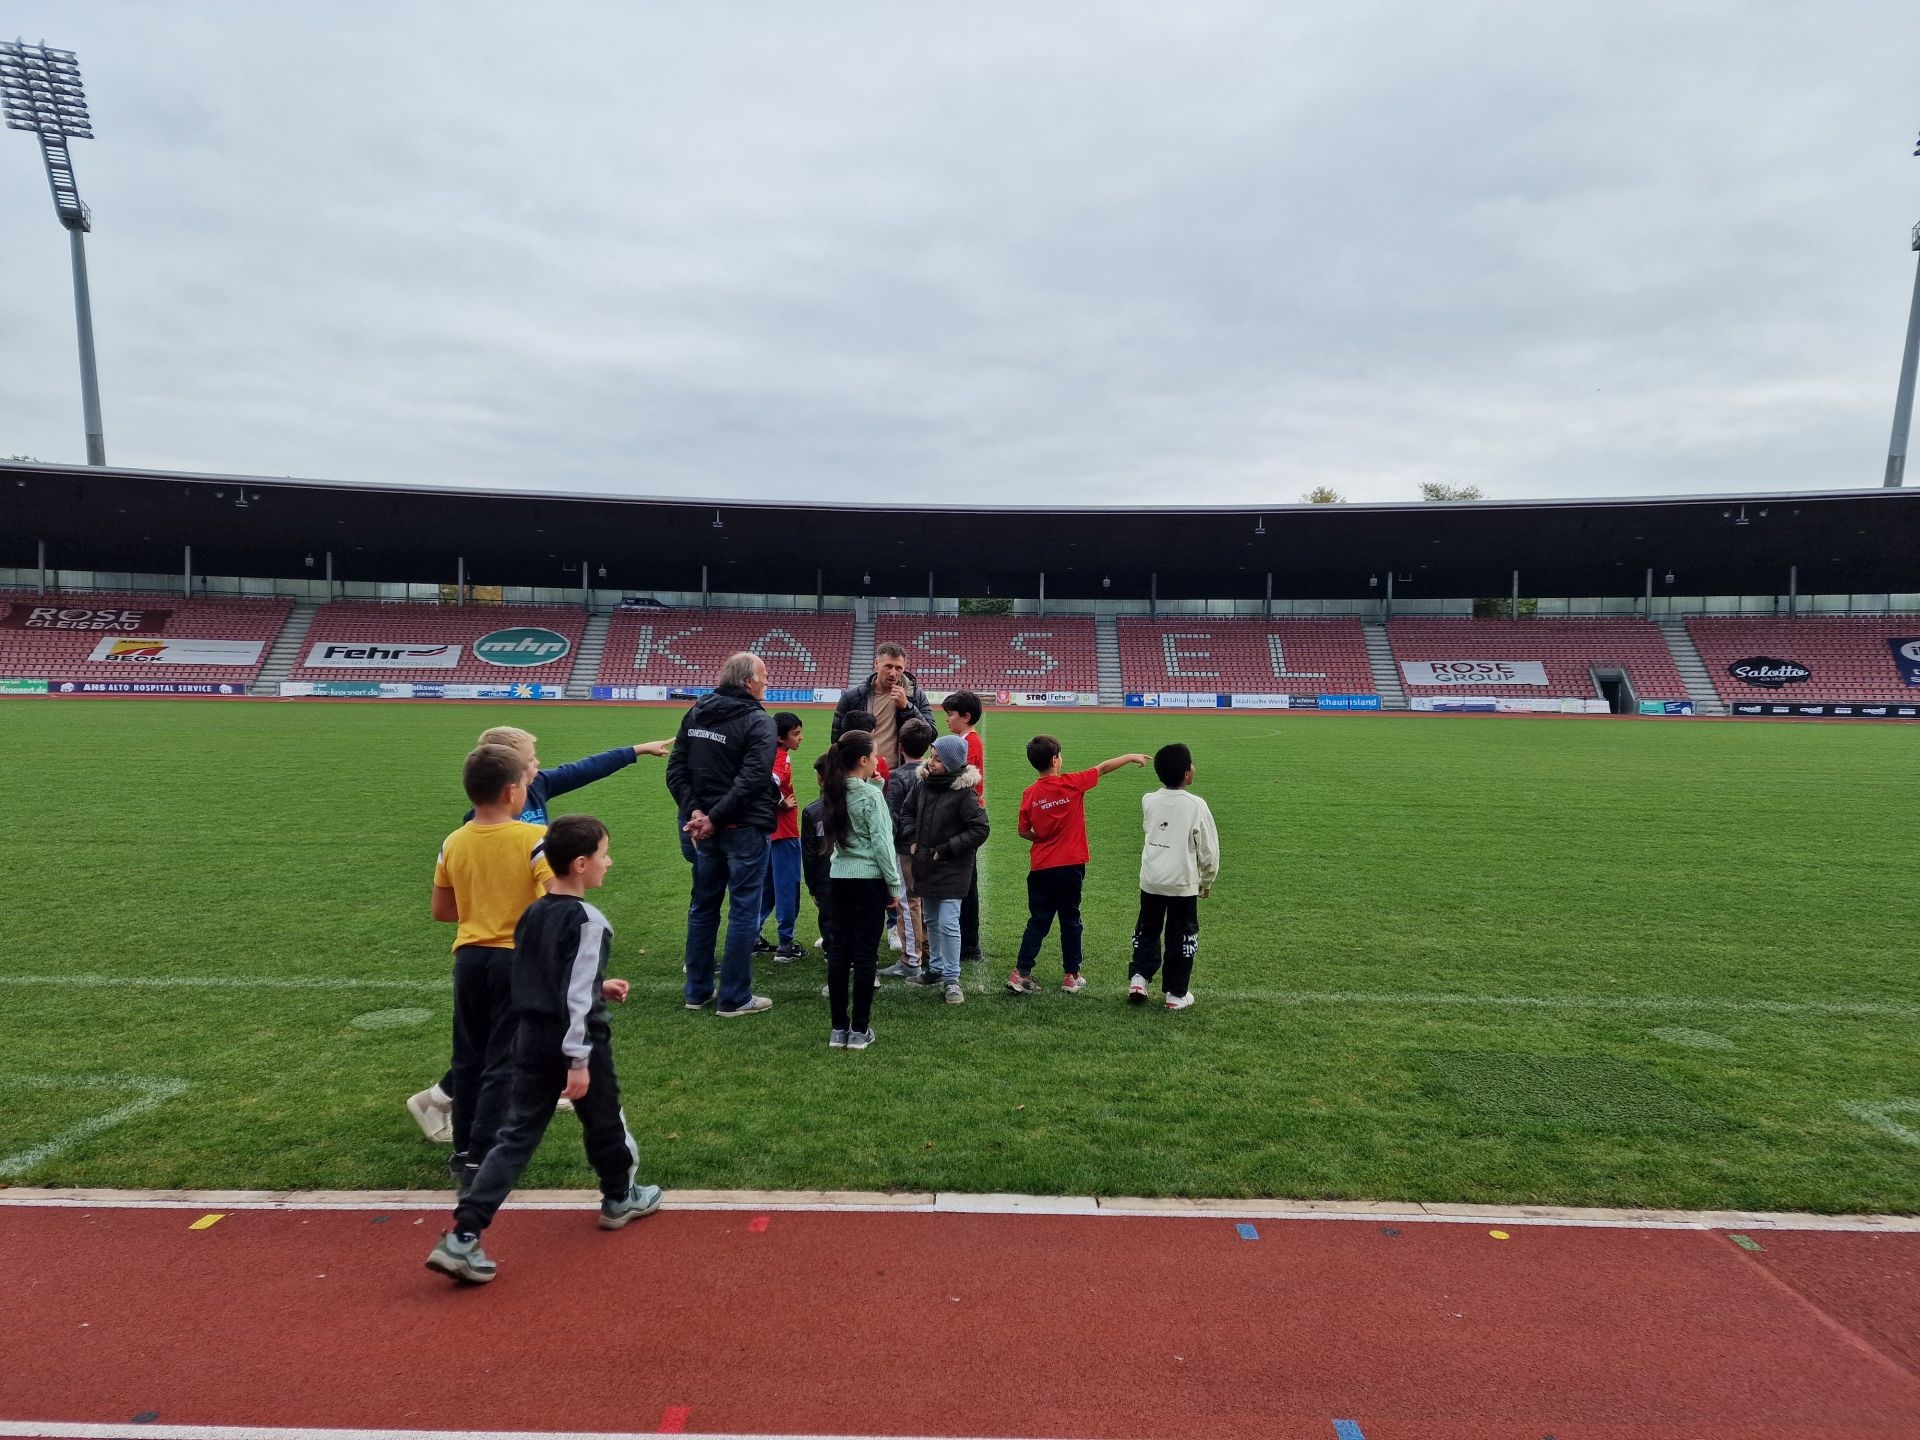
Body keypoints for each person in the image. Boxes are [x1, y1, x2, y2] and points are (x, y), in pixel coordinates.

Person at [407, 726, 672, 1143]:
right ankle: (461, 1123)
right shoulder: (489, 829)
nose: (539, 764)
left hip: (508, 944)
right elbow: (477, 893)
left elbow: (585, 769)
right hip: (514, 945)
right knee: (507, 1039)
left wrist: (635, 750)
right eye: (532, 759)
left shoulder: (536, 790)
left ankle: (492, 1118)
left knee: (516, 1030)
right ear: (511, 778)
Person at [426, 814, 661, 1285]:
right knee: (605, 1119)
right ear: (580, 864)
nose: (609, 863)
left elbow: (543, 976)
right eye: (603, 855)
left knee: (516, 1135)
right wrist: (579, 1060)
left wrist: (597, 984)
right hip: (577, 1044)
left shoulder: (532, 913)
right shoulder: (590, 922)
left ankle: (464, 1234)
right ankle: (620, 1196)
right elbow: (575, 999)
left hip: (529, 1038)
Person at [432, 744, 555, 1189]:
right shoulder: (533, 838)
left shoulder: (453, 841)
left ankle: (463, 1148)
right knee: (505, 1059)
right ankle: (483, 1158)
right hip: (514, 959)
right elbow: (556, 902)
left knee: (468, 1055)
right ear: (510, 791)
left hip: (469, 958)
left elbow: (443, 910)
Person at [666, 652, 779, 1017]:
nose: (767, 681)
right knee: (743, 911)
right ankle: (734, 997)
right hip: (742, 828)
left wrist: (697, 812)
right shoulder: (758, 721)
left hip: (704, 829)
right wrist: (711, 817)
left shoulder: (696, 712)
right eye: (763, 676)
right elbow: (754, 779)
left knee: (703, 906)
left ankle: (697, 991)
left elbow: (676, 770)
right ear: (747, 681)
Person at [1006, 737, 1150, 995]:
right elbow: (1102, 768)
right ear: (1055, 760)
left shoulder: (1030, 794)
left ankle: (1021, 973)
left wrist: (1043, 838)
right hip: (1069, 865)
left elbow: (1023, 831)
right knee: (1071, 920)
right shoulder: (1071, 783)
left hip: (1041, 867)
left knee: (1038, 921)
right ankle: (1071, 975)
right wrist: (1130, 756)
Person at [820, 730, 903, 1051]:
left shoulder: (834, 791)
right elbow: (881, 844)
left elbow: (852, 822)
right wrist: (894, 885)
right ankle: (859, 1029)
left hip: (840, 879)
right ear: (864, 759)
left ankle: (838, 1029)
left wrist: (875, 789)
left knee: (839, 953)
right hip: (869, 882)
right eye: (875, 754)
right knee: (866, 955)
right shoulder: (869, 797)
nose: (879, 759)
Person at [1129, 743, 1220, 1011]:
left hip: (1152, 879)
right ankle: (1176, 994)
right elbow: (1208, 850)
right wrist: (1207, 880)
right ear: (1186, 772)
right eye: (1191, 764)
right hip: (1182, 883)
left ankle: (1139, 978)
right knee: (1181, 935)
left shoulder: (1148, 800)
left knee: (1147, 929)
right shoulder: (1196, 805)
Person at [898, 734, 988, 1005]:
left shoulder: (965, 793)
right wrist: (912, 838)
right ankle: (936, 968)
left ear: (951, 763)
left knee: (948, 922)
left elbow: (980, 829)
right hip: (926, 864)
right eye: (932, 756)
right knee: (933, 920)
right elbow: (907, 812)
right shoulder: (923, 784)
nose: (931, 762)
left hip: (952, 868)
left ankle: (952, 978)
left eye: (938, 759)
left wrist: (946, 849)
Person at [879, 716, 935, 980]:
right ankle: (930, 950)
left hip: (905, 848)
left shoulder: (897, 777)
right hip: (933, 848)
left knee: (908, 900)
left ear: (900, 746)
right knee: (929, 899)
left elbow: (892, 817)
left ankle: (912, 959)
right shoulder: (935, 773)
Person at [756, 712, 807, 962]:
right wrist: (779, 801)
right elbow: (768, 780)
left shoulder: (762, 753)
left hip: (766, 831)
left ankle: (753, 936)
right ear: (780, 737)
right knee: (787, 888)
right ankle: (786, 945)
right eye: (796, 734)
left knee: (766, 887)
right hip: (784, 832)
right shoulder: (781, 756)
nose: (801, 738)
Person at [832, 641, 934, 769]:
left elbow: (931, 735)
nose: (893, 673)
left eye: (898, 668)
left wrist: (907, 707)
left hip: (898, 773)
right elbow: (837, 740)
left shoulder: (916, 696)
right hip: (862, 772)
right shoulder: (853, 697)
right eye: (888, 666)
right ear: (876, 664)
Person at [940, 691, 987, 964]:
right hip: (963, 815)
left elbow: (959, 779)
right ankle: (965, 942)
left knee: (965, 882)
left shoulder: (969, 743)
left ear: (966, 716)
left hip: (963, 817)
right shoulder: (966, 740)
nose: (947, 719)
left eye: (950, 714)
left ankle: (969, 944)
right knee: (964, 881)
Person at [800, 752, 835, 953]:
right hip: (851, 873)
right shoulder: (853, 803)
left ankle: (831, 953)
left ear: (819, 777)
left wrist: (811, 885)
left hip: (824, 876)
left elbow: (808, 853)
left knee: (828, 917)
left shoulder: (811, 812)